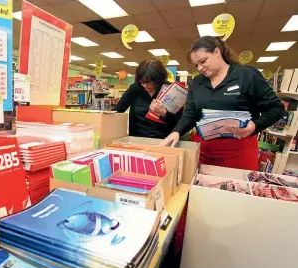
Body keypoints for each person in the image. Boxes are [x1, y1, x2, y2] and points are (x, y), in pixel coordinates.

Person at [160, 36, 285, 171]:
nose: (200, 68)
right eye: (196, 65)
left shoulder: (247, 75)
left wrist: (255, 126)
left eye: (203, 61)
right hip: (204, 151)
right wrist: (176, 132)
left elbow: (276, 108)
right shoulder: (197, 82)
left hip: (239, 151)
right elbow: (190, 114)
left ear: (217, 52)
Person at [113, 58, 182, 139]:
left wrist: (165, 114)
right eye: (142, 82)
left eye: (151, 83)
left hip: (164, 141)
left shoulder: (171, 90)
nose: (145, 86)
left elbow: (181, 122)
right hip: (137, 140)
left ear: (159, 80)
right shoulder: (135, 88)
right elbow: (117, 111)